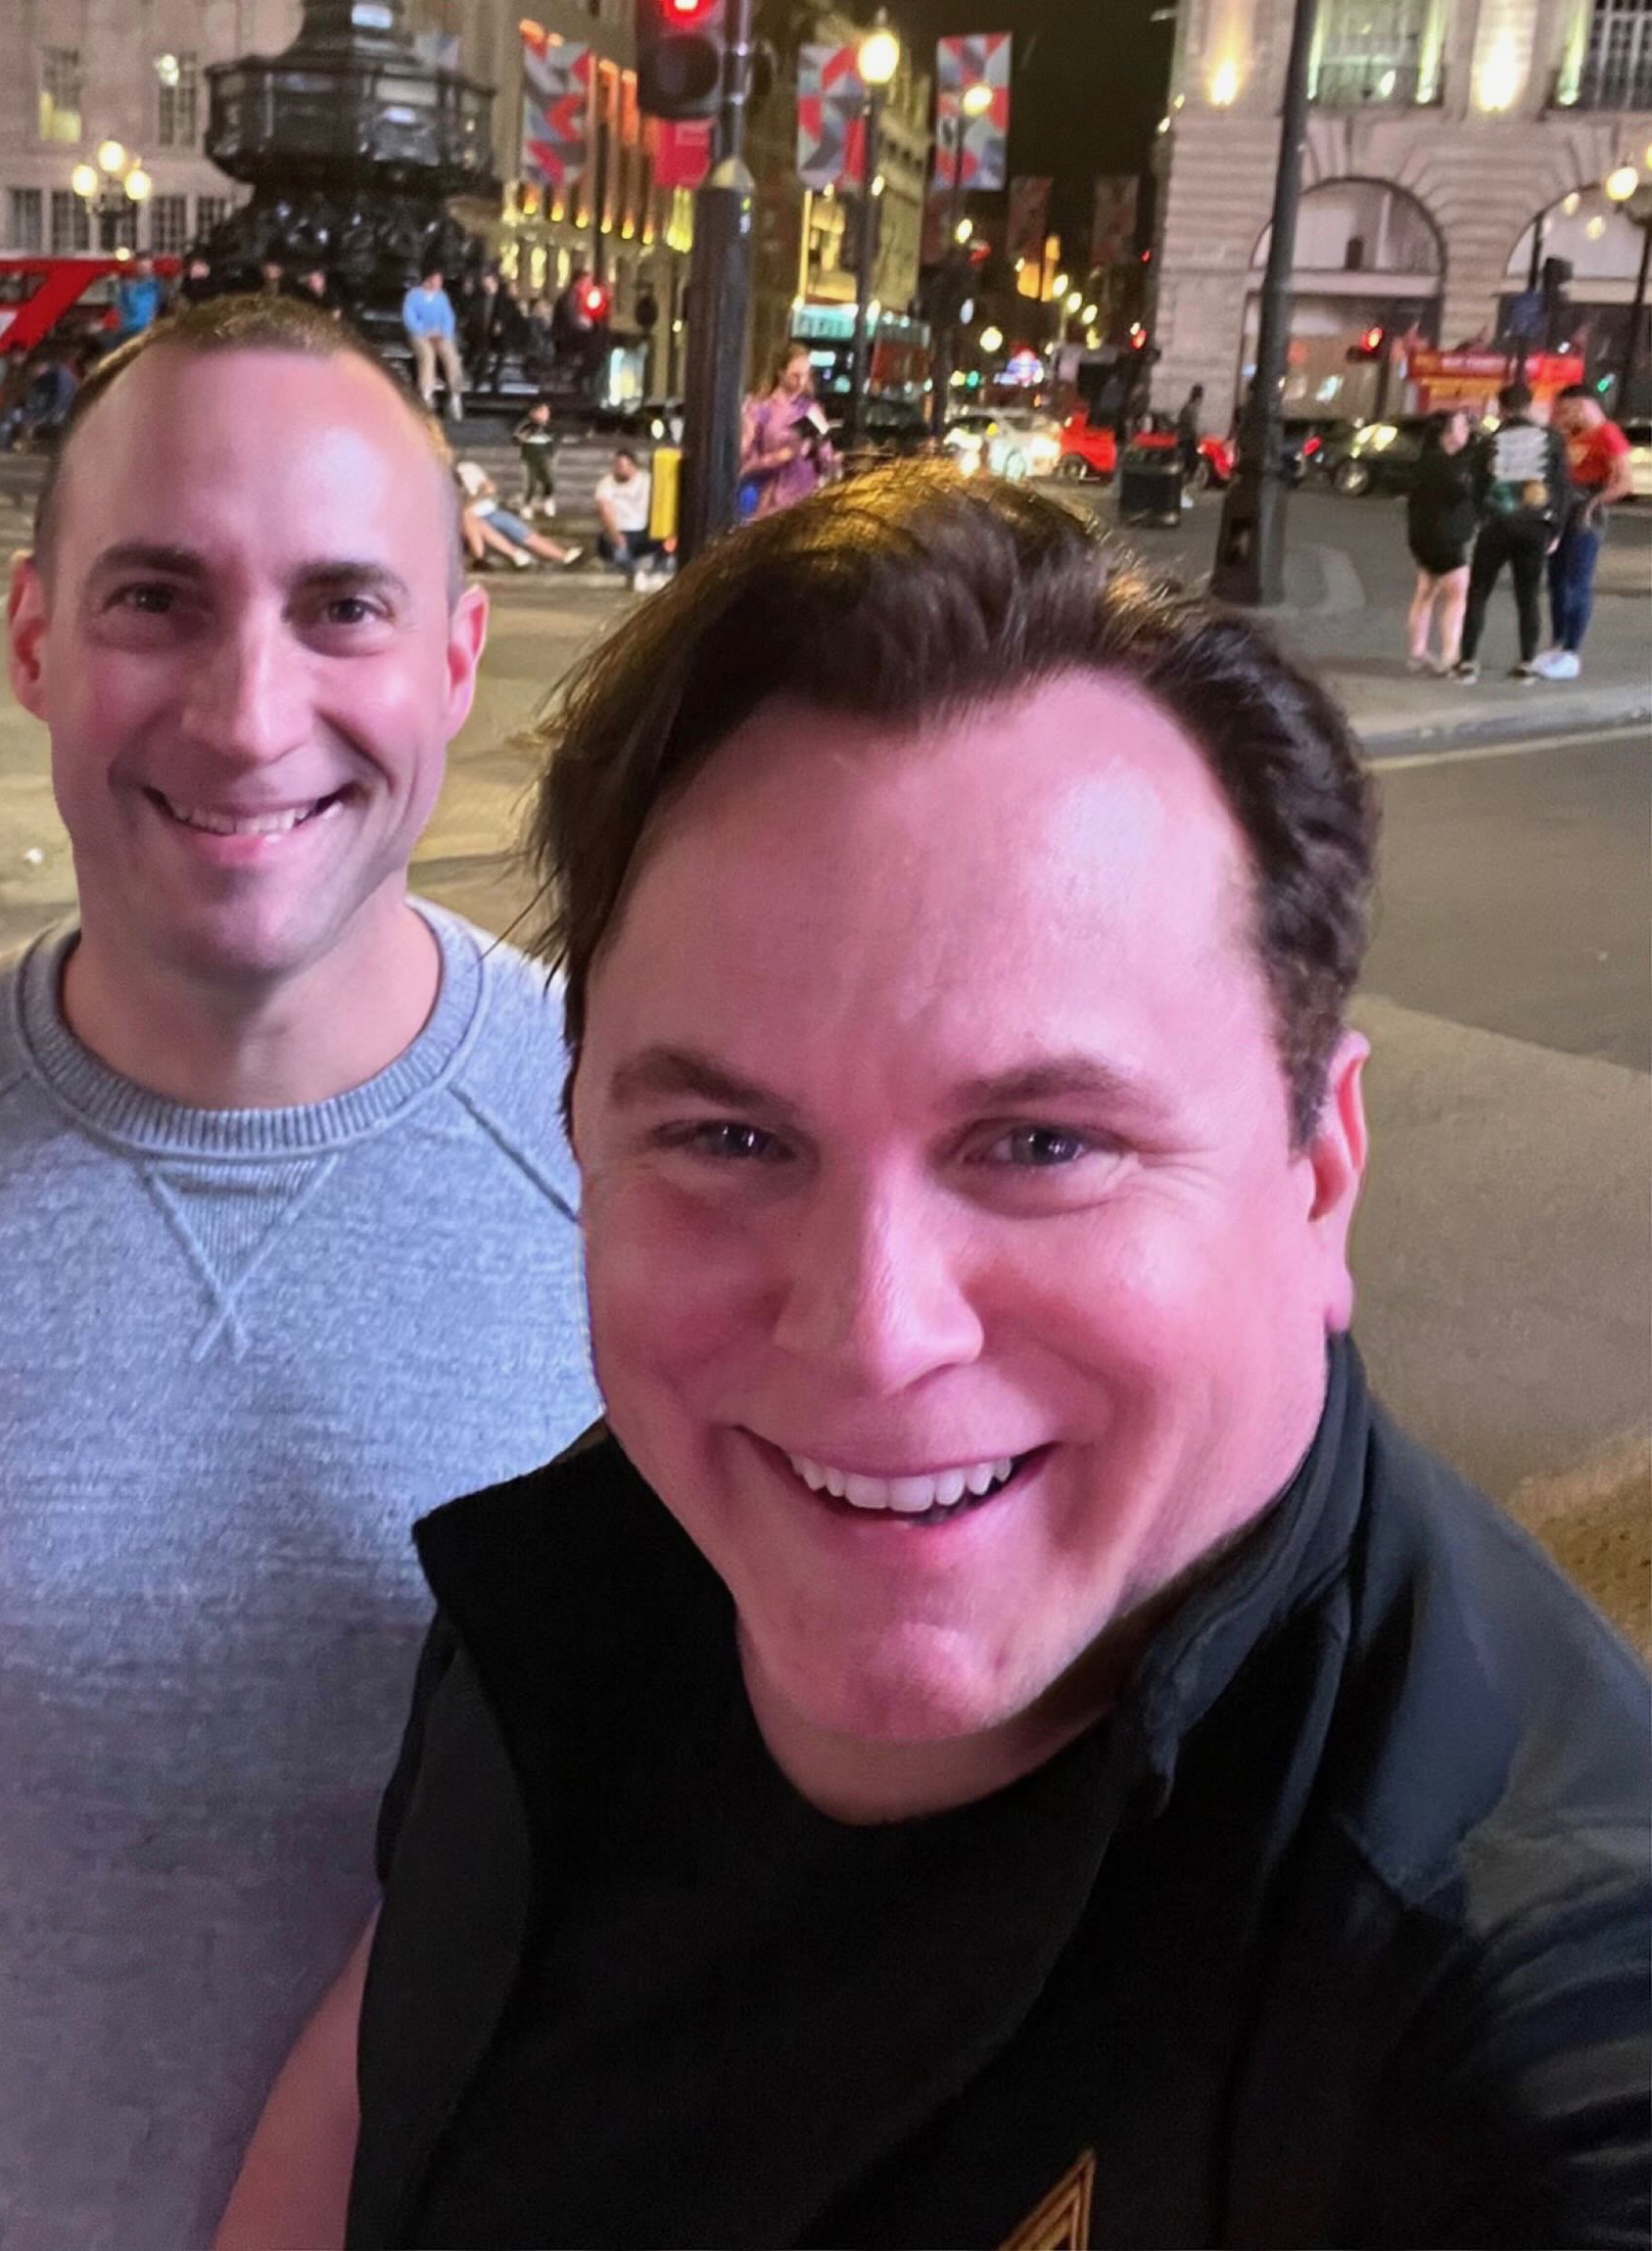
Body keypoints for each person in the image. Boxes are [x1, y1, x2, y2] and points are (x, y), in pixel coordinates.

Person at [221, 466, 1651, 2251]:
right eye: (730, 1139)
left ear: (1317, 1173)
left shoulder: (1513, 2036)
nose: (872, 1335)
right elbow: (382, 2067)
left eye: (1042, 1143)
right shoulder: (613, 1561)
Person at [0, 295, 596, 2251]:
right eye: (156, 598)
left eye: (341, 606)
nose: (247, 713)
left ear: (457, 657)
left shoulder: (646, 1163)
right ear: (33, 641)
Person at [1453, 381, 1570, 682]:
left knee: (1479, 592)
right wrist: (1555, 529)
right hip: (1535, 527)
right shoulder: (1552, 440)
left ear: (1501, 408)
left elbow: (1476, 486)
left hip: (1497, 526)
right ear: (1529, 406)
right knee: (1527, 595)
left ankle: (1467, 661)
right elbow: (1561, 488)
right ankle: (1527, 661)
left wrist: (1483, 516)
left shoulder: (1489, 442)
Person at [1536, 384, 1634, 680]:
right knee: (1556, 580)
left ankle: (1571, 652)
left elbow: (1625, 482)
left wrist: (1593, 504)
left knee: (1575, 583)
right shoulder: (1573, 435)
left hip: (1585, 516)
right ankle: (1557, 644)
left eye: (1566, 410)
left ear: (1582, 406)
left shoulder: (1608, 434)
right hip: (1562, 513)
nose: (1562, 416)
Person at [1401, 407, 1480, 675]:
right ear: (1447, 434)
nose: (1467, 432)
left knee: (1425, 591)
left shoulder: (1425, 460)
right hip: (1446, 538)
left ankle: (1417, 652)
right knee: (1456, 595)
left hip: (1421, 536)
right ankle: (1450, 654)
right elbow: (1465, 492)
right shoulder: (1449, 466)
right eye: (1462, 426)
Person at [739, 343, 836, 520]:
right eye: (795, 375)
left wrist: (826, 456)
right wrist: (777, 457)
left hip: (807, 499)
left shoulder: (811, 409)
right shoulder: (761, 408)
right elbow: (743, 462)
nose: (801, 382)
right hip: (772, 503)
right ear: (781, 373)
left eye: (806, 375)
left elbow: (826, 459)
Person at [454, 455, 583, 569]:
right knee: (473, 519)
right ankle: (490, 558)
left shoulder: (467, 468)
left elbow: (489, 488)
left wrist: (470, 502)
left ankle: (562, 556)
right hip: (468, 520)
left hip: (487, 511)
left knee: (524, 534)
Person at [402, 266, 464, 424]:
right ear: (428, 279)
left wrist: (444, 332)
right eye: (436, 280)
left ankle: (455, 395)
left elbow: (448, 318)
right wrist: (424, 331)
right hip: (419, 334)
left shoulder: (442, 297)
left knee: (451, 355)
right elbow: (409, 317)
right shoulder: (413, 296)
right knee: (427, 355)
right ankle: (426, 395)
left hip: (439, 334)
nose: (439, 283)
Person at [593, 446, 653, 571]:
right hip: (617, 530)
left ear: (632, 465)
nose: (617, 469)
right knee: (614, 547)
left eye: (621, 465)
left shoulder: (646, 481)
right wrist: (616, 535)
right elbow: (604, 508)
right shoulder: (606, 483)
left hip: (640, 530)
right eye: (616, 465)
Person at [512, 399, 563, 518]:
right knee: (530, 484)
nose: (545, 414)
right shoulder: (525, 425)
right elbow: (516, 439)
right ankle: (526, 506)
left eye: (547, 411)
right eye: (542, 411)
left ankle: (547, 500)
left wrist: (551, 454)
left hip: (546, 457)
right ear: (533, 412)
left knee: (549, 481)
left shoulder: (552, 426)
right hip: (529, 458)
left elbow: (556, 441)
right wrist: (524, 436)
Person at [115, 252, 165, 342]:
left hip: (148, 331)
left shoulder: (157, 285)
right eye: (142, 267)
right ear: (136, 266)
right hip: (128, 331)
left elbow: (161, 306)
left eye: (148, 267)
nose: (146, 270)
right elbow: (119, 306)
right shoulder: (126, 286)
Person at [1173, 382, 1204, 507]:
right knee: (1189, 468)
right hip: (1188, 442)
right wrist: (1197, 442)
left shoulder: (1187, 407)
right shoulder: (1191, 409)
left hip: (1184, 441)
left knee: (1187, 468)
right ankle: (1180, 494)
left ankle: (1181, 493)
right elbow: (1193, 428)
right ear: (1199, 397)